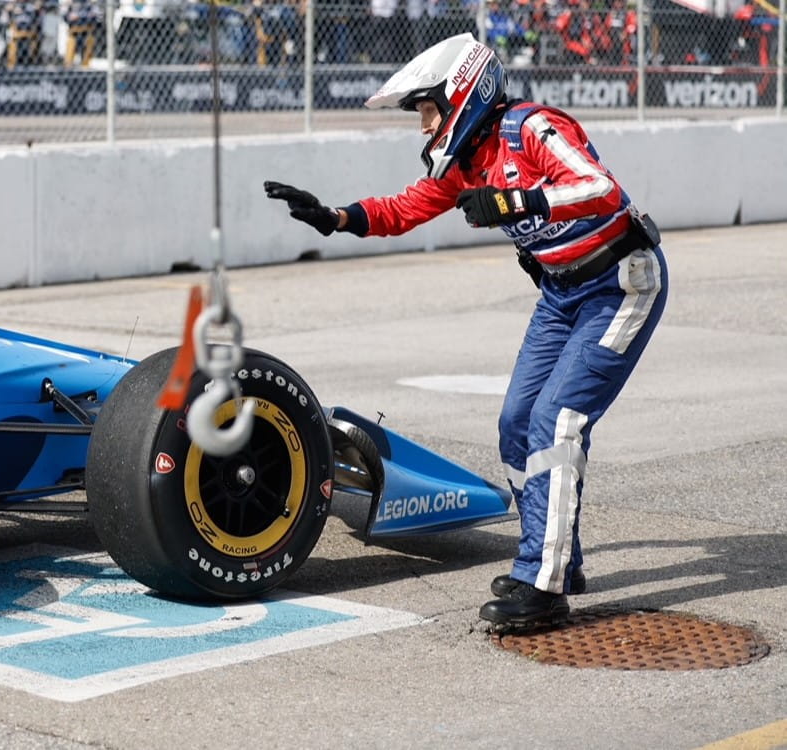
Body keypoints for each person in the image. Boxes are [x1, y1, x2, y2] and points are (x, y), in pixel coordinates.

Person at [263, 33, 667, 630]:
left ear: (462, 95)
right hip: (561, 295)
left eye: (427, 110)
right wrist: (337, 217)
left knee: (557, 421)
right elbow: (407, 207)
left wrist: (513, 203)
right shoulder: (467, 164)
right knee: (515, 424)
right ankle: (557, 557)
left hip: (619, 285)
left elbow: (600, 189)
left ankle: (544, 583)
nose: (425, 128)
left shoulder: (533, 127)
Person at [2, 0, 43, 69]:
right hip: (16, 29)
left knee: (29, 43)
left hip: (28, 29)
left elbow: (37, 10)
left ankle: (28, 63)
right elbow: (7, 11)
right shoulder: (14, 4)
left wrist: (36, 7)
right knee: (12, 38)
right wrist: (13, 7)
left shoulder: (30, 5)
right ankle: (12, 65)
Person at [61, 0, 101, 67]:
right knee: (71, 42)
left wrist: (79, 16)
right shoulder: (71, 4)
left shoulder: (90, 3)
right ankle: (68, 64)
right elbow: (65, 16)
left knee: (89, 41)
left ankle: (85, 65)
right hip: (74, 31)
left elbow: (97, 16)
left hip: (87, 30)